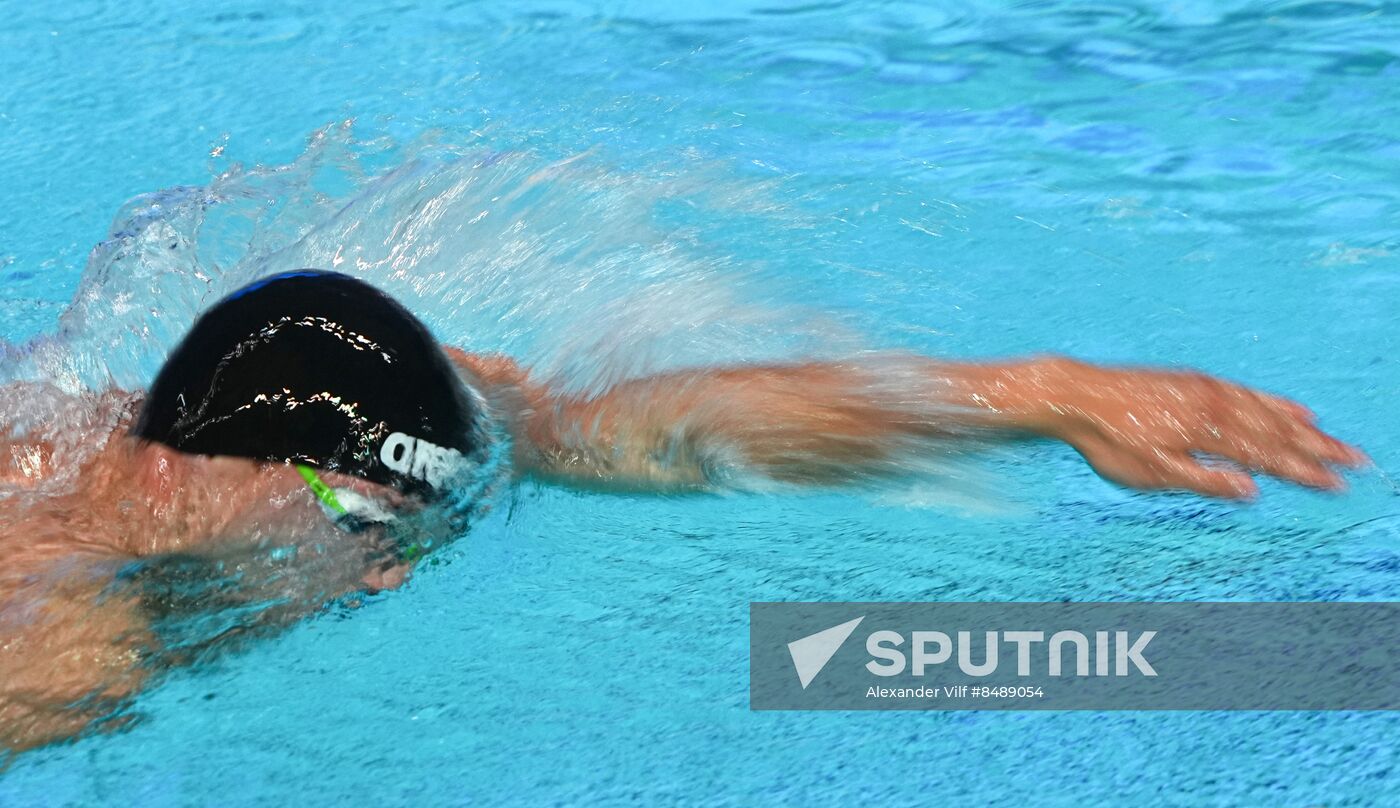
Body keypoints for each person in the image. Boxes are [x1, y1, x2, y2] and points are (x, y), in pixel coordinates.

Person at [0, 270, 1367, 753]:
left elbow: (632, 433)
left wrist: (1040, 397)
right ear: (183, 469)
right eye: (360, 524)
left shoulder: (240, 436)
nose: (387, 575)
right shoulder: (64, 645)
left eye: (402, 531)